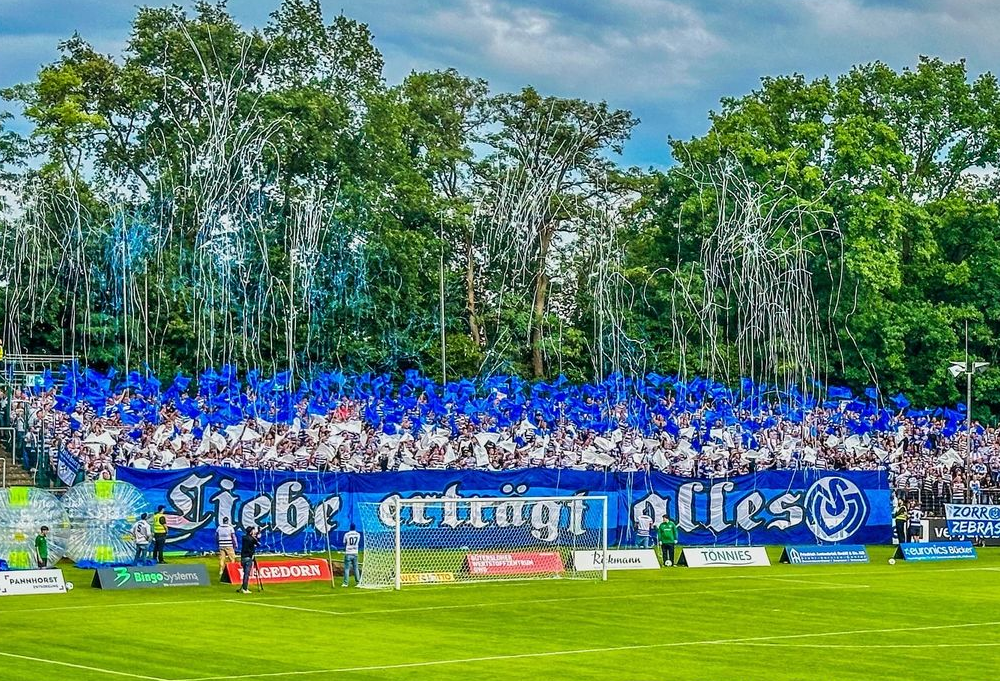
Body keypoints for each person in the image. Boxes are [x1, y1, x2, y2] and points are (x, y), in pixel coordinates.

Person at [237, 527, 261, 594]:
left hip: (243, 557)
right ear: (251, 532)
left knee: (245, 573)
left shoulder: (244, 537)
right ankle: (245, 588)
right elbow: (258, 544)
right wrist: (258, 537)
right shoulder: (252, 539)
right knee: (246, 574)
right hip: (248, 557)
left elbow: (251, 542)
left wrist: (254, 536)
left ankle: (244, 587)